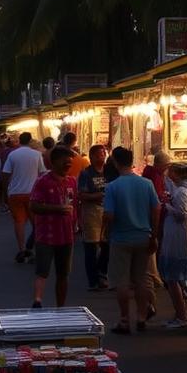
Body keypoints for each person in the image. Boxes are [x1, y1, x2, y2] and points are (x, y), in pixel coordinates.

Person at [102, 147, 160, 335]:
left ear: (115, 162)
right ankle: (142, 317)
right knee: (141, 279)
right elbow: (156, 209)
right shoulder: (146, 184)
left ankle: (125, 319)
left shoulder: (112, 186)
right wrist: (154, 234)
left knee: (122, 281)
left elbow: (109, 215)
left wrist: (106, 232)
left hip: (121, 237)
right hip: (143, 236)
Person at [29, 146, 77, 308]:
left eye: (70, 163)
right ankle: (37, 301)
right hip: (46, 235)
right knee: (42, 271)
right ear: (54, 162)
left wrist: (77, 223)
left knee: (63, 274)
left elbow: (74, 205)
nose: (68, 165)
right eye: (65, 162)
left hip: (66, 235)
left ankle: (60, 308)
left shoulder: (71, 182)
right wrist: (56, 209)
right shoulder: (42, 181)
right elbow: (34, 206)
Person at [158, 162, 187, 329]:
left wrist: (167, 205)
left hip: (177, 240)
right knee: (177, 279)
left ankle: (181, 314)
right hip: (177, 238)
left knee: (174, 279)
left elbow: (182, 215)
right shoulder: (181, 191)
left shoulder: (181, 192)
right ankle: (181, 313)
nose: (168, 175)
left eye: (171, 172)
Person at [1, 132, 46, 263]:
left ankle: (21, 249)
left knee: (19, 222)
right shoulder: (36, 155)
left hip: (15, 193)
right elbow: (42, 173)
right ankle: (37, 250)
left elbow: (5, 174)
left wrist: (5, 191)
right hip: (33, 194)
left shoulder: (13, 154)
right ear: (30, 140)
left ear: (19, 141)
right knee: (36, 223)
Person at [78, 144, 113, 291]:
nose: (103, 156)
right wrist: (98, 195)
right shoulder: (86, 174)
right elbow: (82, 195)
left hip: (107, 212)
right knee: (91, 247)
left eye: (104, 153)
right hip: (92, 213)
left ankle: (102, 274)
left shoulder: (109, 172)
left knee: (107, 246)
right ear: (91, 157)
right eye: (99, 154)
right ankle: (93, 280)